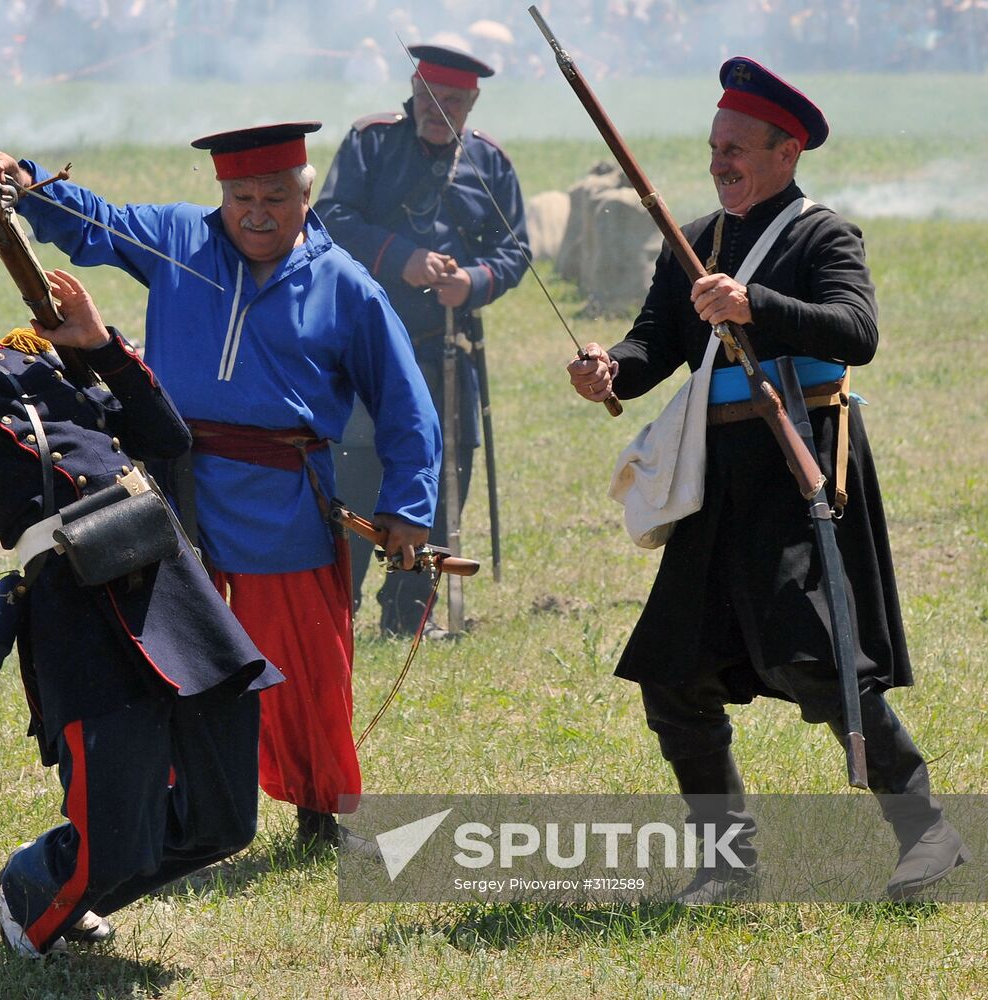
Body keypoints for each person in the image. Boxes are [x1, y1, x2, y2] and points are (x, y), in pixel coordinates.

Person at [0, 163, 282, 957]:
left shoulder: (27, 359)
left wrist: (98, 346)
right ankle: (39, 886)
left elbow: (165, 440)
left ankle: (78, 889)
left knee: (222, 822)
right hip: (79, 606)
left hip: (169, 583)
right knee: (112, 831)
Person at [567, 56, 967, 903]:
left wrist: (756, 306)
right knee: (672, 673)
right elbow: (654, 345)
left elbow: (855, 331)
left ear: (785, 152)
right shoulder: (694, 242)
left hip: (799, 468)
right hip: (716, 481)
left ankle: (924, 827)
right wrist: (610, 368)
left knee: (818, 660)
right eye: (714, 147)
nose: (720, 163)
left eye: (737, 148)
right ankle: (727, 863)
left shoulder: (823, 234)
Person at [0, 122, 441, 846]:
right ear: (221, 194)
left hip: (280, 495)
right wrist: (25, 180)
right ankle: (166, 808)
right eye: (240, 196)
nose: (255, 212)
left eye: (274, 196)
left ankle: (318, 806)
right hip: (167, 481)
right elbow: (95, 223)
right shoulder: (177, 238)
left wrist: (407, 508)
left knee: (303, 662)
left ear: (306, 195)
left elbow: (403, 402)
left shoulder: (345, 285)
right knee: (166, 651)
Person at [315, 43, 529, 635]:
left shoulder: (488, 161)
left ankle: (410, 614)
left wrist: (474, 282)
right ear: (414, 89)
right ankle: (336, 604)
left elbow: (514, 251)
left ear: (473, 101)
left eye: (455, 102)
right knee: (356, 469)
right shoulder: (371, 142)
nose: (442, 111)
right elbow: (329, 219)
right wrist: (399, 258)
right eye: (432, 99)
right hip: (364, 345)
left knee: (441, 473)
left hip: (446, 346)